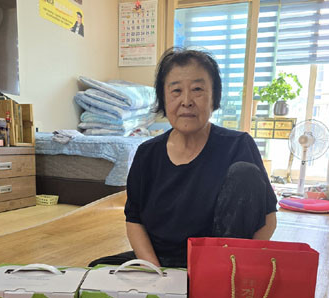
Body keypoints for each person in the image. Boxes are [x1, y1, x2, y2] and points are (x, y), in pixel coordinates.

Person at [89, 47, 277, 268]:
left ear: (214, 97)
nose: (186, 101)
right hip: (160, 261)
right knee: (96, 271)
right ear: (163, 98)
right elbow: (134, 220)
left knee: (245, 172)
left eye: (197, 89)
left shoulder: (238, 146)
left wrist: (233, 269)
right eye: (176, 91)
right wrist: (155, 272)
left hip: (220, 265)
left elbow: (268, 220)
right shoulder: (147, 154)